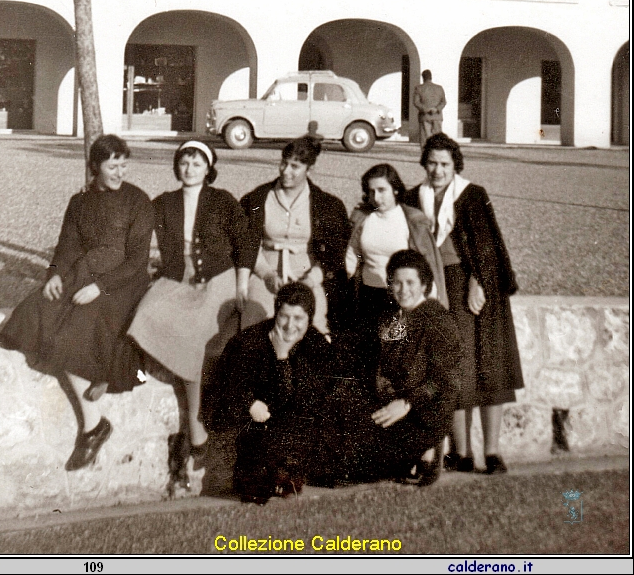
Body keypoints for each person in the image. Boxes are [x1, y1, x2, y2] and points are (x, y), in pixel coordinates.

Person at [0, 135, 153, 471]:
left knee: (76, 326)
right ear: (94, 166)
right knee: (36, 310)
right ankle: (96, 374)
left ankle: (93, 425)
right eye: (112, 165)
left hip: (123, 283)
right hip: (85, 275)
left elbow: (138, 260)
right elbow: (67, 245)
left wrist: (100, 287)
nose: (119, 172)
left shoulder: (138, 201)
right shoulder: (79, 202)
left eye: (124, 165)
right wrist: (54, 274)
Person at [128, 139, 256, 493]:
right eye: (184, 162)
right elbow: (132, 226)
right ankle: (194, 427)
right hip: (177, 279)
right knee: (144, 313)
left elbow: (246, 241)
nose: (189, 168)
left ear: (208, 168)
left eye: (197, 163)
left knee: (195, 337)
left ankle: (197, 429)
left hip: (218, 280)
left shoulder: (222, 200)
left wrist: (242, 285)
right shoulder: (163, 202)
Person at [404, 133, 524, 474]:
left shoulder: (472, 195)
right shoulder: (414, 197)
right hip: (435, 289)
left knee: (488, 366)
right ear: (424, 164)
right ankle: (462, 452)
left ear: (455, 165)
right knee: (453, 368)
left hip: (471, 286)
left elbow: (487, 245)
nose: (438, 170)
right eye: (432, 163)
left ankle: (492, 451)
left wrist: (479, 281)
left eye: (444, 164)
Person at [212, 281, 334, 504]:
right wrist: (249, 403)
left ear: (309, 319)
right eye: (284, 316)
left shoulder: (316, 345)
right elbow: (227, 388)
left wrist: (281, 356)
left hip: (295, 431)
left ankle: (289, 474)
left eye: (298, 319)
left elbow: (302, 401)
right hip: (256, 430)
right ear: (275, 314)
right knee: (256, 490)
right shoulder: (248, 342)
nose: (289, 326)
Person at [347, 249, 462, 485]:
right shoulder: (394, 320)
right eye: (397, 283)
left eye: (410, 282)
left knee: (368, 466)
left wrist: (407, 403)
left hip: (424, 413)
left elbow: (445, 379)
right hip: (392, 408)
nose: (403, 289)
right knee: (350, 460)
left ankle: (429, 449)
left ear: (423, 284)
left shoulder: (437, 319)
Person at [239, 136, 350, 334]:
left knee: (314, 324)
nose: (286, 171)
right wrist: (267, 274)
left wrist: (310, 280)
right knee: (255, 320)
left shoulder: (327, 205)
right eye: (284, 163)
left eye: (295, 166)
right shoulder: (257, 198)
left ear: (310, 169)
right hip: (266, 271)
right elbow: (247, 243)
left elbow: (334, 254)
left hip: (307, 273)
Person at [345, 163, 447, 325]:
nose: (376, 197)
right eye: (371, 191)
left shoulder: (412, 220)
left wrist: (431, 301)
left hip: (402, 296)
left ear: (395, 189)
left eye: (381, 190)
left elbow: (427, 264)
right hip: (368, 295)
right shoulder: (362, 218)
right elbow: (351, 255)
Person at [413, 70, 447, 148]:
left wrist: (426, 109)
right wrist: (437, 109)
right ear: (431, 77)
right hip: (437, 116)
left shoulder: (419, 88)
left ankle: (426, 158)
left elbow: (416, 102)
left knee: (425, 139)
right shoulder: (439, 88)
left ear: (423, 77)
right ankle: (437, 156)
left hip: (425, 116)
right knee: (438, 138)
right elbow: (443, 102)